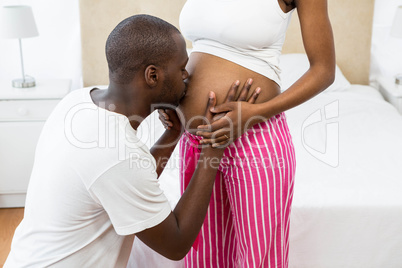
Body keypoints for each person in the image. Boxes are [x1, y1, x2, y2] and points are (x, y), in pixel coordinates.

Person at [4, 14, 260, 267]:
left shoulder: (77, 102)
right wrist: (213, 146)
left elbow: (127, 182)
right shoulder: (115, 154)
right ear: (152, 76)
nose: (188, 76)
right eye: (182, 68)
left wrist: (172, 134)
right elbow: (176, 244)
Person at [159, 0, 335, 267]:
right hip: (197, 139)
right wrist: (173, 101)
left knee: (259, 256)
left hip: (255, 137)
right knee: (202, 254)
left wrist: (257, 112)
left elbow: (324, 71)